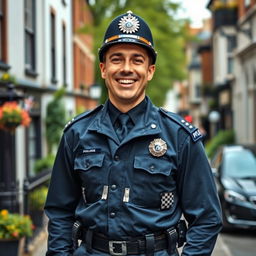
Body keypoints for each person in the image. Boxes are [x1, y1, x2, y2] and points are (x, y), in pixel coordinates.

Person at [45, 11, 222, 256]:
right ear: (103, 69)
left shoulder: (179, 137)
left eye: (137, 60)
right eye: (117, 59)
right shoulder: (77, 133)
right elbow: (59, 213)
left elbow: (207, 219)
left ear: (149, 71)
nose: (126, 69)